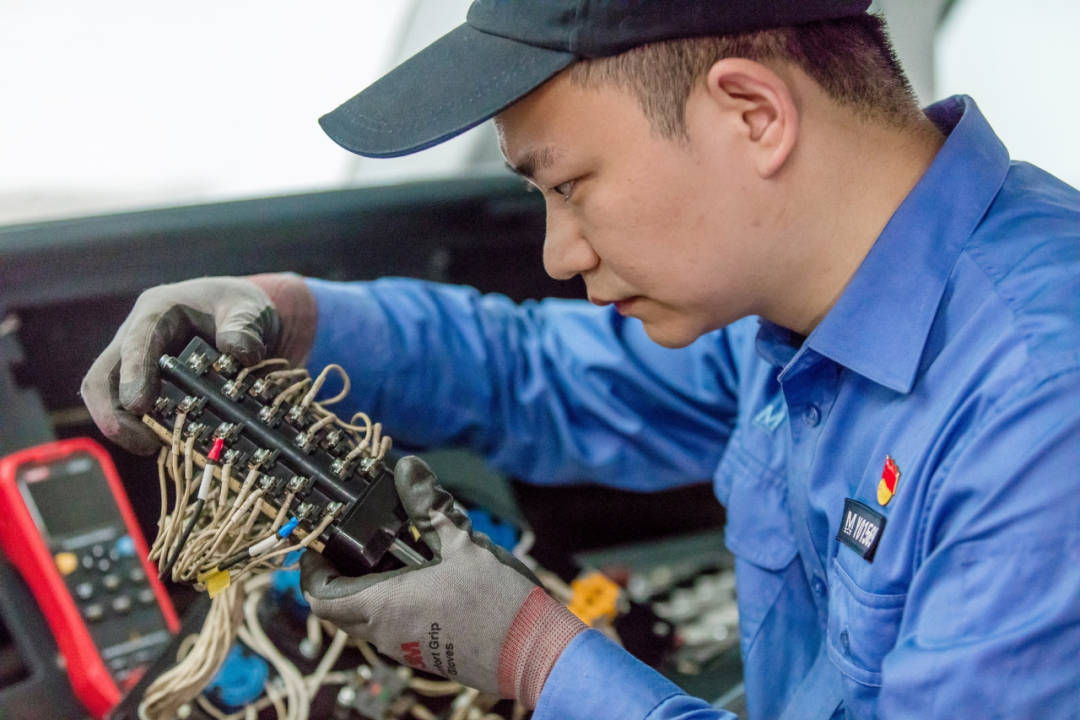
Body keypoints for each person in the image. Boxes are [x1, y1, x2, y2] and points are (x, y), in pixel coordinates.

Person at [82, 1, 1080, 717]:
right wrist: (293, 315)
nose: (559, 254)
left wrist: (536, 656)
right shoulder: (802, 311)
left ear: (754, 114)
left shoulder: (1041, 404)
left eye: (568, 186)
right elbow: (540, 375)